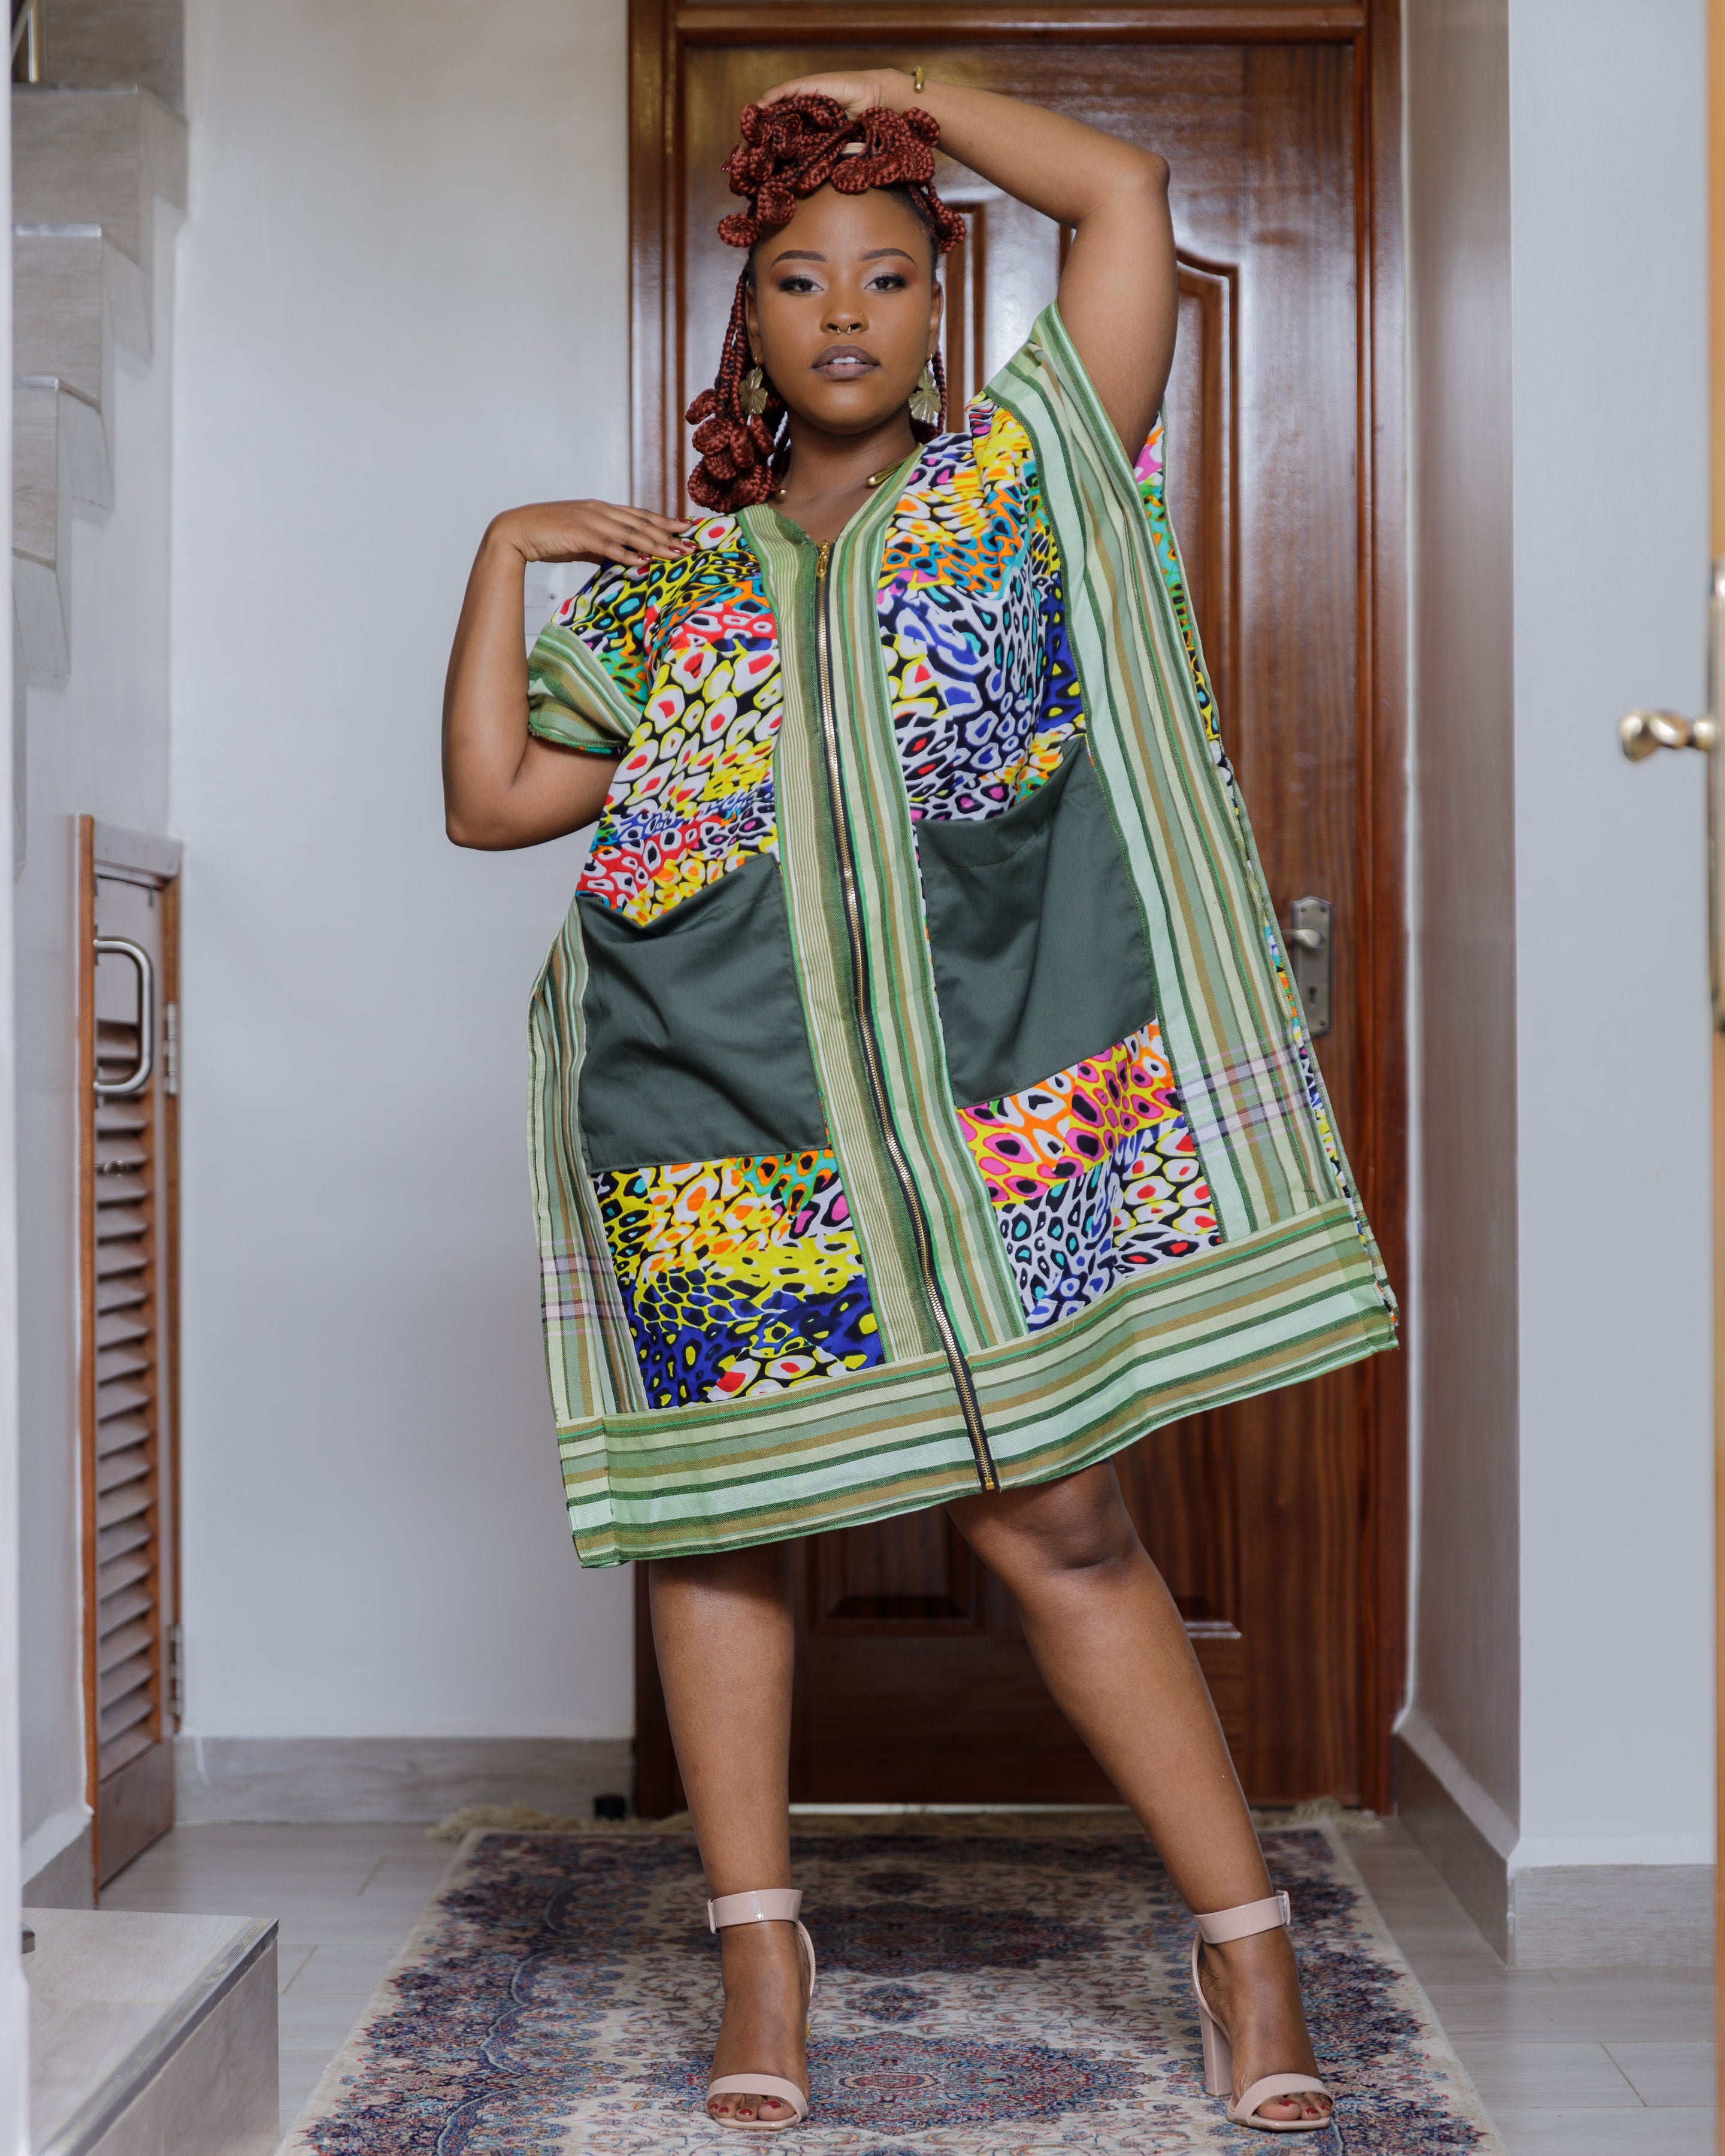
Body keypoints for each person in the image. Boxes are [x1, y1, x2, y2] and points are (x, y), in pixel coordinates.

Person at [443, 68, 1396, 2136]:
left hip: (999, 1129)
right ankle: (759, 1959)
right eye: (801, 280)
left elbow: (1126, 194)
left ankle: (1247, 1954)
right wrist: (509, 550)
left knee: (1060, 1519)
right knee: (726, 1533)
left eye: (888, 275)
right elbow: (497, 799)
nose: (847, 313)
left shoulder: (1027, 484)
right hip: (713, 1126)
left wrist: (910, 96)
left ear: (939, 307)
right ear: (751, 325)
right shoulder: (671, 590)